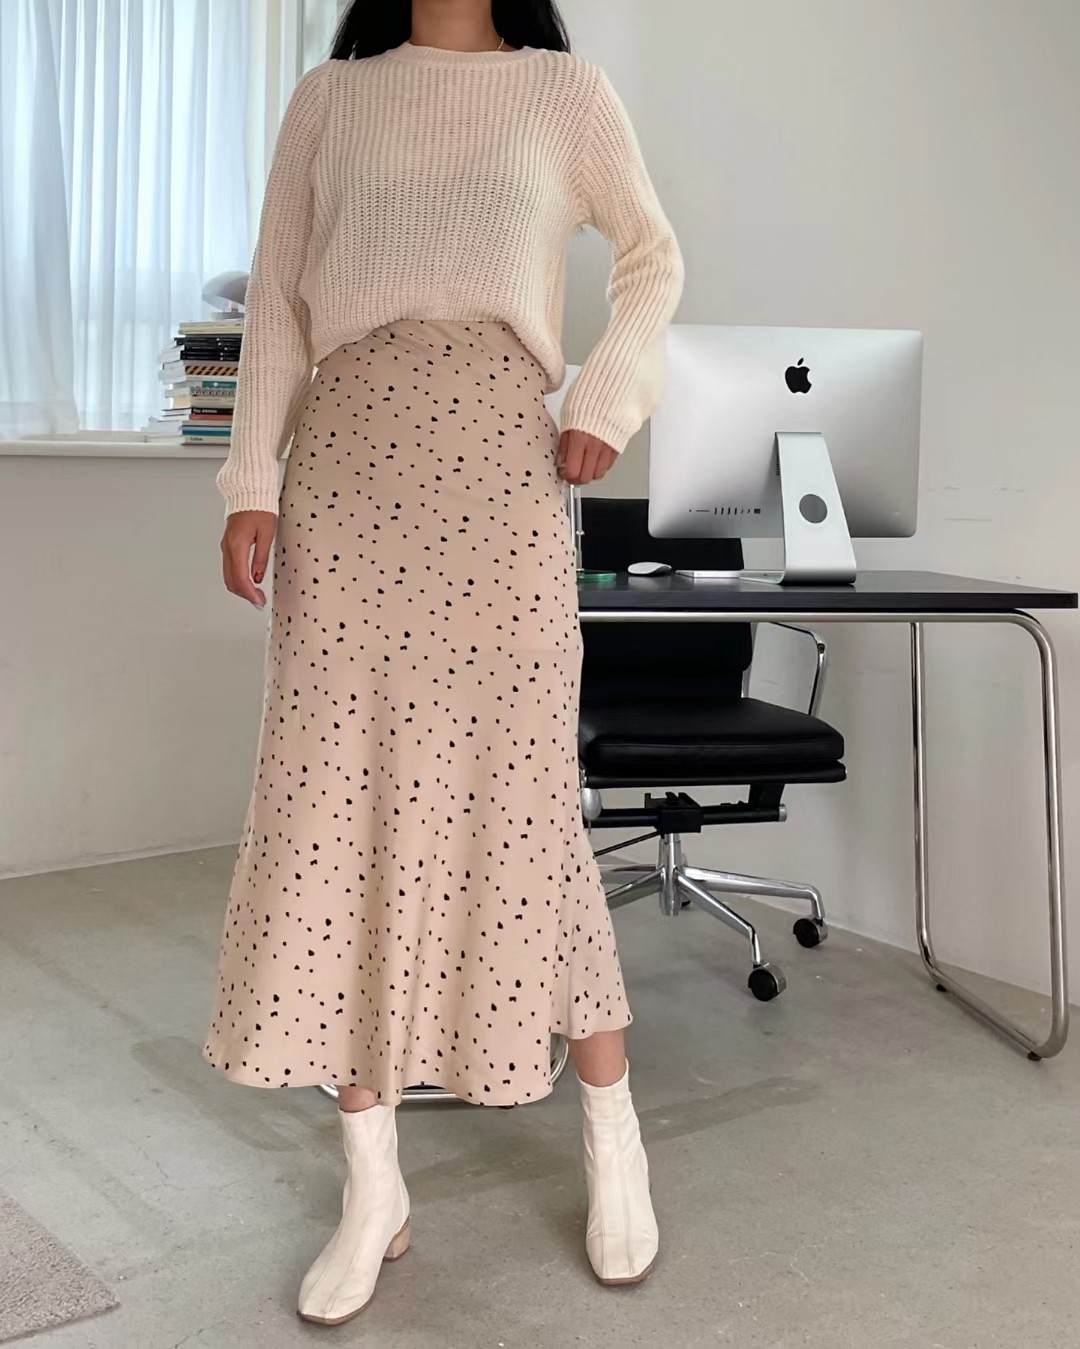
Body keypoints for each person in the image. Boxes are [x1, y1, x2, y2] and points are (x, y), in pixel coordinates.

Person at [204, 0, 683, 1325]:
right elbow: (279, 302)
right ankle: (372, 1182)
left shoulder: (564, 93)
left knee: (527, 807)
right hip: (347, 468)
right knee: (333, 814)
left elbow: (653, 258)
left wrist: (606, 396)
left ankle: (613, 1135)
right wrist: (252, 481)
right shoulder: (331, 98)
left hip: (499, 463)